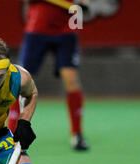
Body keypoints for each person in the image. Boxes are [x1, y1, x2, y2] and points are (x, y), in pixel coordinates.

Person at [7, 0, 89, 150]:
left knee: (71, 80)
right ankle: (11, 134)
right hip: (37, 28)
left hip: (67, 29)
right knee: (21, 82)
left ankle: (77, 134)